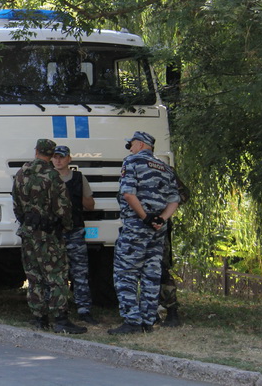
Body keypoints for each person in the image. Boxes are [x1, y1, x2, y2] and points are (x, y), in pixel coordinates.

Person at [108, 131, 180, 335]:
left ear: (140, 144)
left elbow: (128, 193)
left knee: (125, 273)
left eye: (131, 145)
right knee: (151, 274)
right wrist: (160, 219)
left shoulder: (132, 162)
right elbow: (174, 199)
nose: (130, 149)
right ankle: (148, 321)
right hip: (158, 230)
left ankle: (132, 321)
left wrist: (145, 217)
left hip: (136, 228)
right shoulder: (165, 167)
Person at [12, 139, 87, 334]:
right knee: (56, 276)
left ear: (36, 151)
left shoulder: (21, 174)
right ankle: (61, 320)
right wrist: (66, 227)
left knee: (34, 276)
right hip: (49, 235)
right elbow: (63, 208)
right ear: (51, 154)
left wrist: (27, 222)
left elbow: (16, 205)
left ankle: (39, 318)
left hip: (28, 233)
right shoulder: (52, 176)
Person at [51, 145, 97, 325]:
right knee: (56, 274)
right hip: (55, 232)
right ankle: (59, 309)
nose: (58, 160)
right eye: (55, 157)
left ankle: (84, 310)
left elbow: (90, 204)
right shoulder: (48, 179)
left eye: (61, 157)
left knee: (80, 273)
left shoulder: (78, 178)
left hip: (75, 230)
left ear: (69, 159)